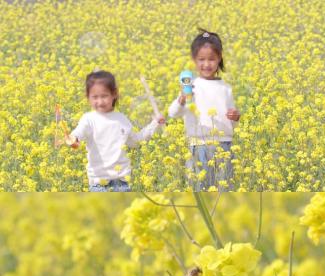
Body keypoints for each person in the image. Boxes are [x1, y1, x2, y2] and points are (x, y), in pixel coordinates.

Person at [65, 70, 165, 191]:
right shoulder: (89, 119)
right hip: (99, 184)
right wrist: (72, 139)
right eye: (95, 97)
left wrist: (154, 124)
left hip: (122, 183)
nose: (100, 102)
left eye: (104, 96)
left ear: (114, 94)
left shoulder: (121, 119)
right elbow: (78, 134)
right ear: (88, 97)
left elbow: (135, 141)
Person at [168, 29, 241, 191]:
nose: (206, 64)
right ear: (194, 60)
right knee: (198, 190)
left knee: (224, 190)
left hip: (224, 146)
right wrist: (181, 99)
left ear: (219, 58)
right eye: (201, 59)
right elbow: (173, 114)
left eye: (211, 59)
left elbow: (232, 123)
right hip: (198, 146)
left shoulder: (226, 88)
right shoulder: (191, 86)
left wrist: (235, 117)